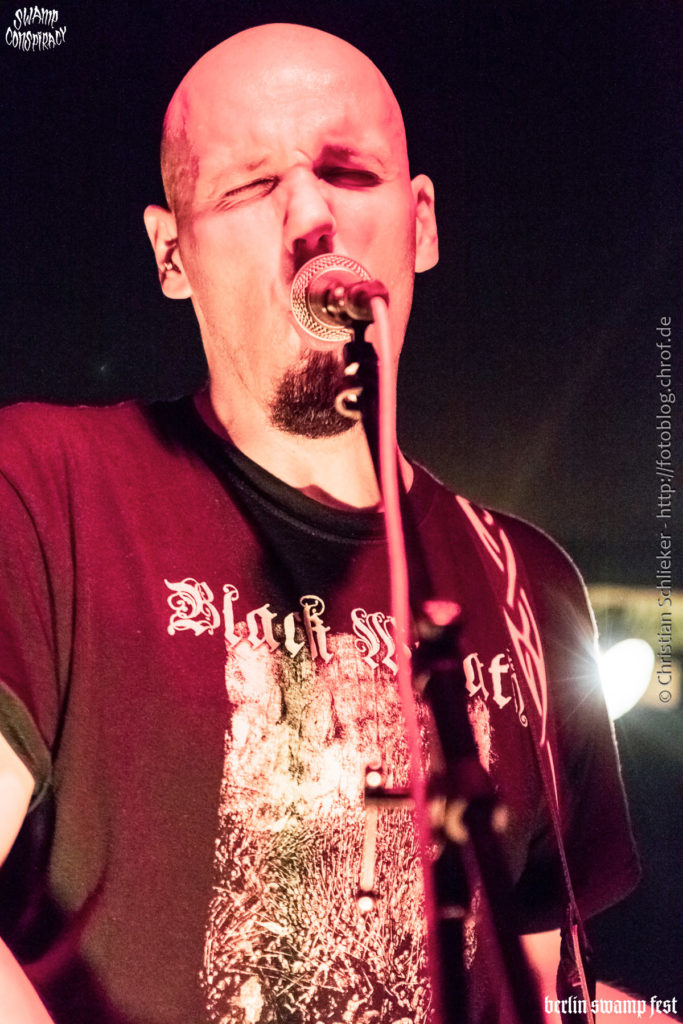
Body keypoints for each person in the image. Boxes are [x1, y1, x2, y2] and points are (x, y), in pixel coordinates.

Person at [0, 23, 639, 1024]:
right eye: (250, 187)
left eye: (347, 173)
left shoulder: (527, 584)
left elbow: (527, 984)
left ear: (419, 226)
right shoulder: (45, 488)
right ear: (171, 253)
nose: (310, 215)